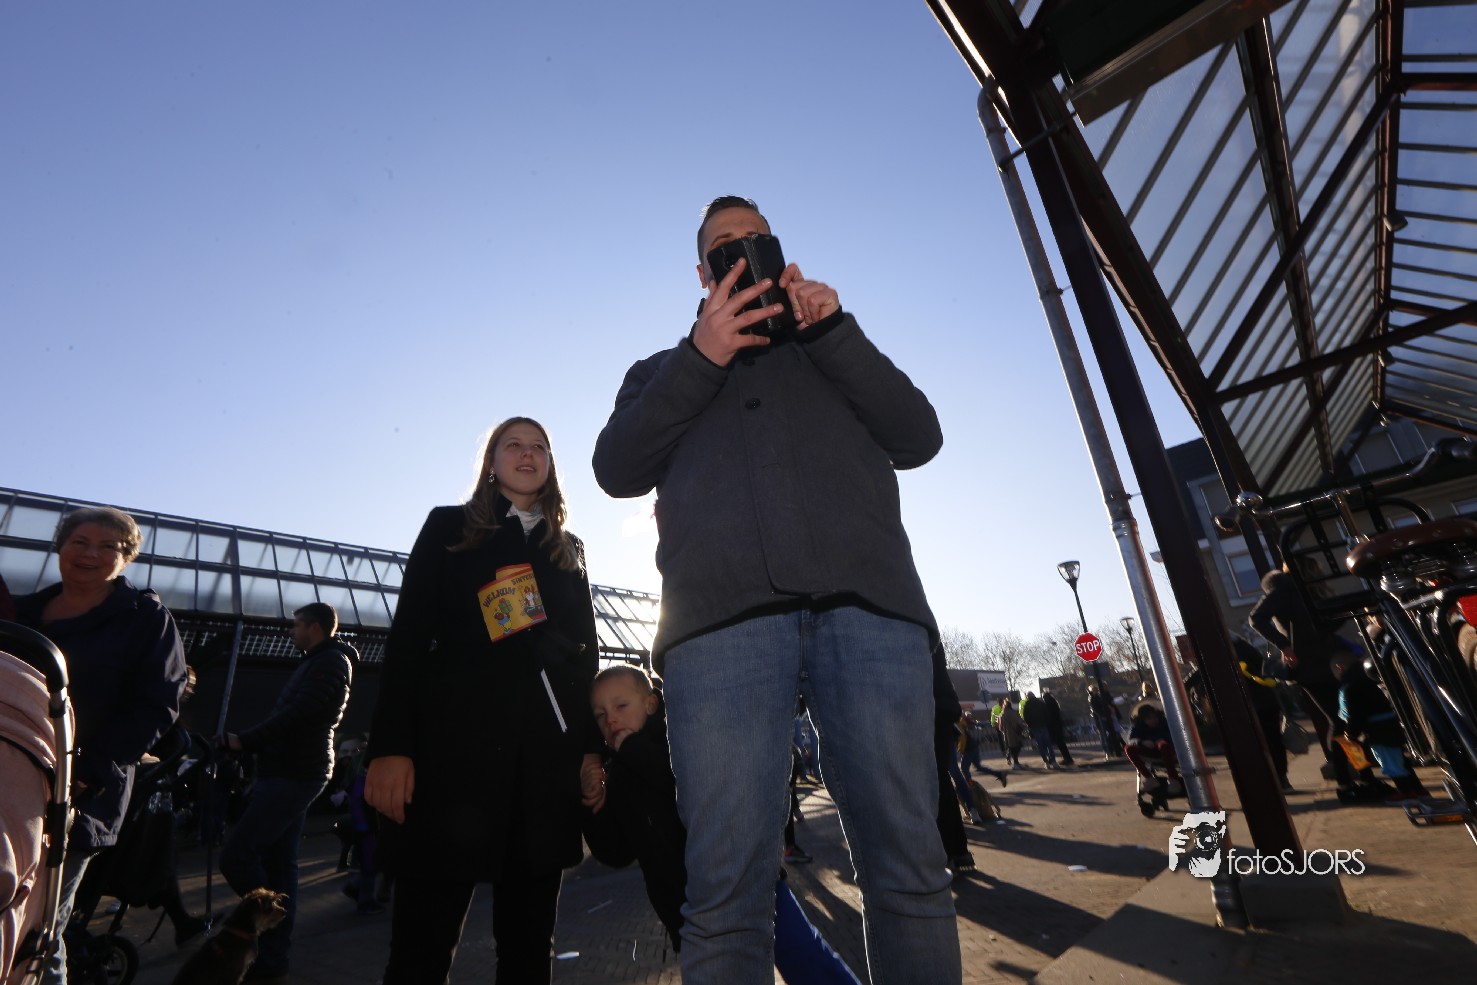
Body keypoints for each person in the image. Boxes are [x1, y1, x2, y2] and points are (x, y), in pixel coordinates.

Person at [592, 196, 960, 984]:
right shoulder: (659, 369)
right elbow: (615, 468)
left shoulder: (828, 342)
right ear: (703, 274)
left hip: (867, 608)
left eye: (755, 237)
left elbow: (918, 436)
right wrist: (703, 354)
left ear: (778, 250)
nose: (741, 248)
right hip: (719, 624)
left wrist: (834, 330)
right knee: (726, 890)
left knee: (908, 866)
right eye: (723, 244)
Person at [365, 418, 600, 985]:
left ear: (551, 465)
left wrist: (591, 750)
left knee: (528, 953)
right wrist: (391, 747)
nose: (527, 453)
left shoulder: (568, 549)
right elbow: (409, 638)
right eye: (513, 444)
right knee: (421, 952)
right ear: (491, 462)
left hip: (541, 772)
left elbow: (584, 659)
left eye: (539, 446)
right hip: (453, 765)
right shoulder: (449, 527)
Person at [581, 666, 860, 984]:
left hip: (750, 883)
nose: (611, 720)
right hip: (687, 914)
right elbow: (617, 851)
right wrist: (591, 807)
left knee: (807, 960)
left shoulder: (681, 739)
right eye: (600, 715)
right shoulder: (618, 776)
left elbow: (684, 786)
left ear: (651, 704)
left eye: (620, 706)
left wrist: (633, 751)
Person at [13, 507, 188, 984]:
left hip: (76, 794)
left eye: (108, 546)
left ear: (126, 558)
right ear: (60, 546)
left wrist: (86, 771)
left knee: (39, 932)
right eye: (80, 542)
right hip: (9, 784)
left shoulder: (144, 619)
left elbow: (156, 705)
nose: (90, 554)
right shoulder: (21, 613)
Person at [217, 602, 354, 983]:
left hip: (296, 772)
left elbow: (298, 715)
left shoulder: (330, 662)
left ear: (315, 627)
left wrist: (244, 741)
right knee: (280, 863)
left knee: (237, 856)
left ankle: (266, 918)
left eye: (297, 625)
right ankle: (273, 958)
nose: (291, 632)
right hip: (293, 771)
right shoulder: (320, 662)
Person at [1249, 567, 1354, 789]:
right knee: (1342, 720)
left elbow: (1257, 618)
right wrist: (1285, 645)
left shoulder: (1287, 593)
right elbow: (1256, 619)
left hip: (1312, 665)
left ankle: (1349, 777)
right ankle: (1350, 776)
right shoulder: (1294, 591)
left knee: (1341, 720)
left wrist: (1285, 646)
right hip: (1323, 662)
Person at [1331, 652, 1428, 801]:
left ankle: (1405, 790)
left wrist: (1350, 733)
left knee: (1391, 762)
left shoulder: (1350, 687)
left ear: (1340, 667)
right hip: (1389, 726)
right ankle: (1417, 788)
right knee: (1400, 760)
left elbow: (1355, 714)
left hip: (1378, 731)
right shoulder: (1367, 680)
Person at [1125, 703, 1181, 789]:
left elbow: (1174, 735)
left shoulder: (1164, 724)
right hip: (1149, 752)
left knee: (1163, 745)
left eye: (1154, 717)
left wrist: (1160, 740)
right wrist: (1142, 742)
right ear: (1143, 719)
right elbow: (1131, 740)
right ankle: (1149, 778)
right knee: (1128, 749)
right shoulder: (1137, 727)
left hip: (1166, 751)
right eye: (1149, 718)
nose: (1153, 720)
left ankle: (1173, 779)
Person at [1020, 691, 1057, 768]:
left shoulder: (1027, 706)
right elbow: (1047, 714)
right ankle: (1053, 761)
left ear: (1027, 697)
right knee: (1049, 744)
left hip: (1034, 727)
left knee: (1040, 745)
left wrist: (1030, 724)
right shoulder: (1041, 703)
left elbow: (1025, 717)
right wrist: (1046, 722)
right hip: (1043, 725)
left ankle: (1046, 762)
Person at [1041, 688, 1075, 766]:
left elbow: (1048, 715)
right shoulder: (1054, 702)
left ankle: (1063, 759)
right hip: (1057, 725)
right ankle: (1067, 758)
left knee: (1056, 743)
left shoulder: (1047, 704)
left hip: (1053, 726)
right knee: (1061, 743)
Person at [1088, 684, 1123, 758]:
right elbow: (1095, 709)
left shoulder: (1098, 696)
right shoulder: (1092, 698)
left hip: (1106, 716)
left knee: (1110, 733)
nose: (1096, 690)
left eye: (1096, 689)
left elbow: (1104, 705)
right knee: (1104, 734)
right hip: (1101, 718)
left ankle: (1112, 749)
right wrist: (1102, 716)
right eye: (1094, 689)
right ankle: (1108, 751)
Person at [998, 695, 1026, 768]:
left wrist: (1004, 731)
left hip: (1007, 736)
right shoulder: (1014, 713)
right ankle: (1016, 763)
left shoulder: (1002, 715)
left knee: (1011, 748)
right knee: (1017, 747)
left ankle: (1014, 761)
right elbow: (1020, 722)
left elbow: (1000, 727)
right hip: (1016, 734)